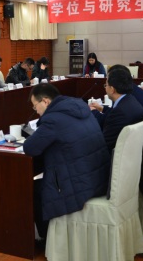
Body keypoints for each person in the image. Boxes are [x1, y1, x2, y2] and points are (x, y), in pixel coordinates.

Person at [23, 83, 111, 241]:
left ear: (46, 101)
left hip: (80, 184)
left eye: (35, 106)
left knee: (34, 188)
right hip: (99, 177)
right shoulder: (81, 108)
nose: (36, 111)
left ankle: (48, 239)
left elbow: (29, 147)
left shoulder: (53, 119)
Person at [90, 67, 143, 150]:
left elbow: (103, 144)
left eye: (106, 85)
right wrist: (102, 108)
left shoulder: (120, 113)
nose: (105, 88)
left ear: (112, 89)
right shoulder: (130, 100)